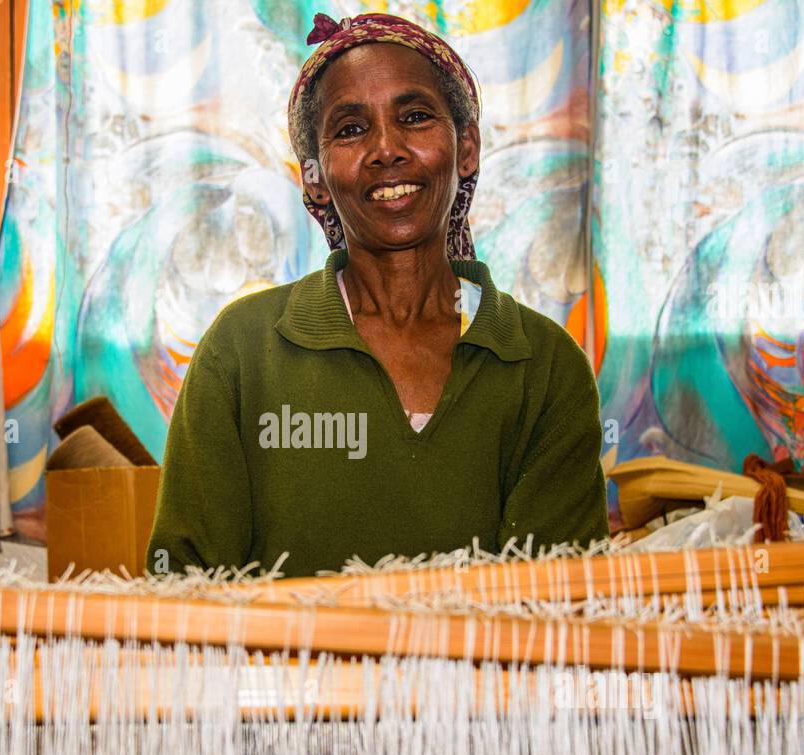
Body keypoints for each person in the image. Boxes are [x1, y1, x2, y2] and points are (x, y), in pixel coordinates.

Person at [148, 11, 608, 577]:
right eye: (349, 128)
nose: (386, 149)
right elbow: (182, 587)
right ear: (313, 176)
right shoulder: (241, 352)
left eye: (415, 118)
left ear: (467, 149)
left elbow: (559, 608)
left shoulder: (545, 366)